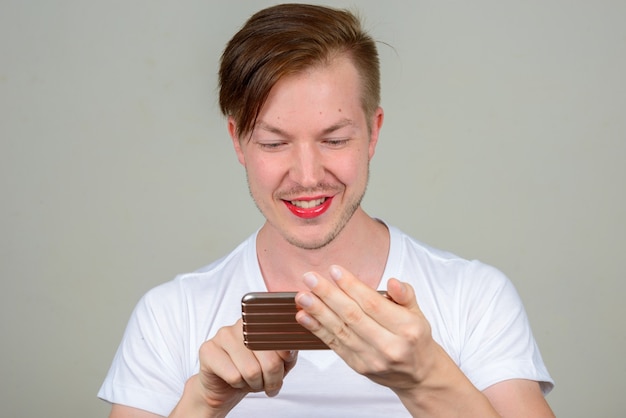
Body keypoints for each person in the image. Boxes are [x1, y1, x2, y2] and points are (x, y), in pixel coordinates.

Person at [98, 4, 555, 417]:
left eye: (334, 140)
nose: (307, 175)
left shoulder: (475, 298)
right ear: (238, 141)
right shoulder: (169, 314)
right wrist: (204, 402)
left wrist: (426, 379)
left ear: (373, 133)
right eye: (274, 143)